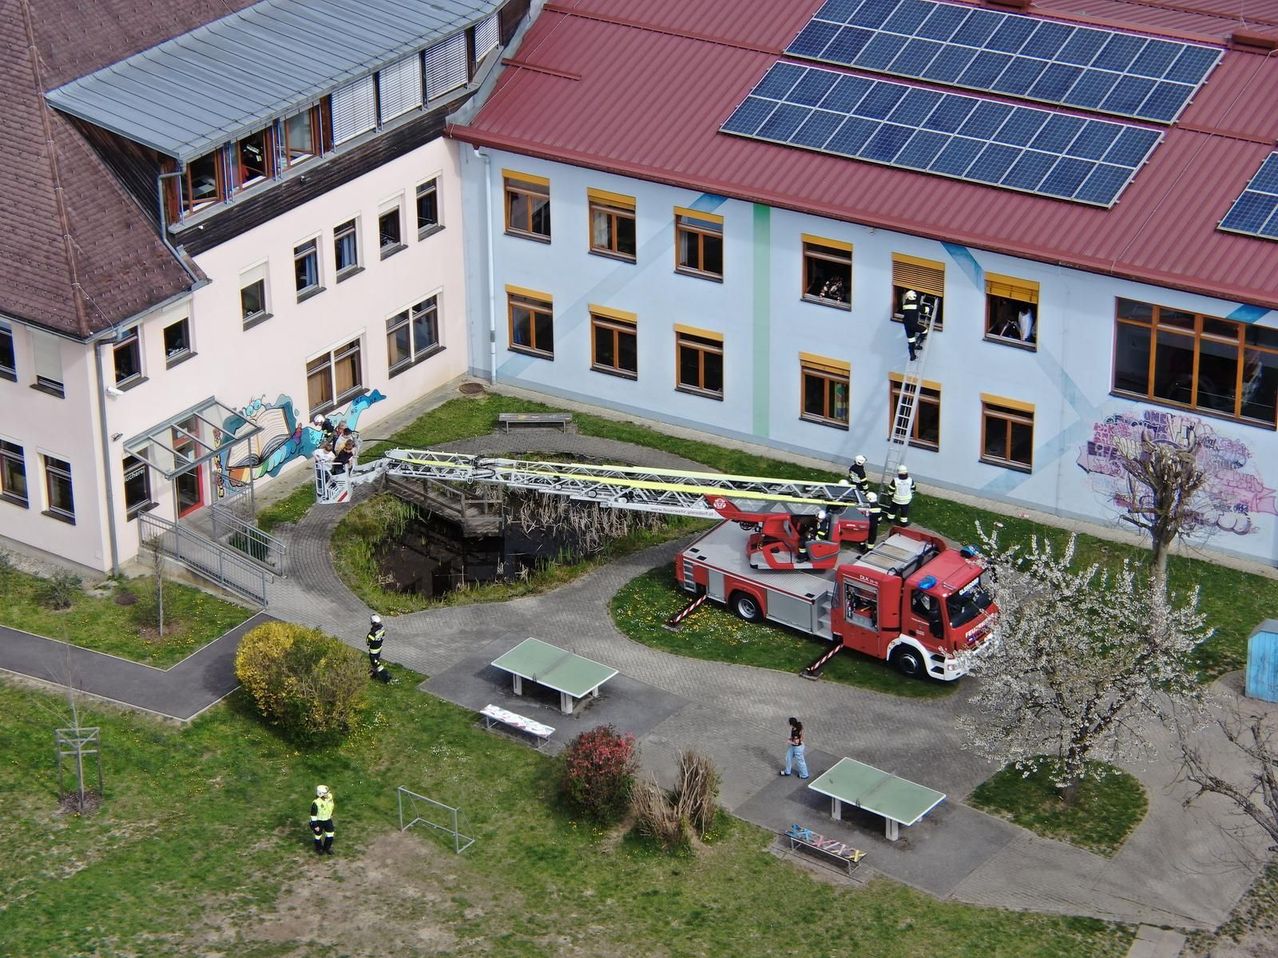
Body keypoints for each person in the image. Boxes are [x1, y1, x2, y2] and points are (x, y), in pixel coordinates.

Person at [366, 614, 392, 683]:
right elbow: (383, 635)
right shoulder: (382, 627)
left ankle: (386, 676)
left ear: (373, 623)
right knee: (376, 661)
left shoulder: (372, 633)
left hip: (373, 651)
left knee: (375, 663)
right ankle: (374, 674)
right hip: (379, 648)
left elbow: (368, 642)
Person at [310, 784, 335, 855]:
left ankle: (327, 848)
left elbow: (331, 805)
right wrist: (315, 826)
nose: (327, 794)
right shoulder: (316, 803)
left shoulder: (330, 797)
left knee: (330, 834)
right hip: (319, 821)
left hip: (327, 819)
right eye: (325, 793)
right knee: (318, 836)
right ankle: (319, 848)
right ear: (320, 794)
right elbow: (313, 816)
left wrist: (331, 814)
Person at [900, 289, 922, 361]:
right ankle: (918, 343)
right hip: (913, 325)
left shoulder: (905, 306)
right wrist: (929, 308)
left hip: (907, 327)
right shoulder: (914, 306)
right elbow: (923, 309)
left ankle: (912, 355)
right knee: (925, 330)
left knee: (911, 340)